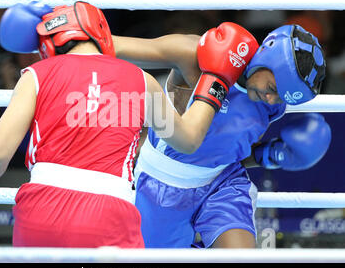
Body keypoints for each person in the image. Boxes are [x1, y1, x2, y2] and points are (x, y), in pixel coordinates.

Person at [0, 1, 258, 248]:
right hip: (110, 214)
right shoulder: (140, 81)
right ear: (102, 33)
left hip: (41, 209)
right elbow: (188, 139)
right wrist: (215, 81)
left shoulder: (37, 76)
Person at [112, 23, 332, 248]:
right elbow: (113, 46)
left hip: (222, 182)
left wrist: (268, 156)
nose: (271, 99)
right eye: (273, 88)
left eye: (283, 98)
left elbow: (228, 150)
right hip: (161, 184)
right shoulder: (195, 59)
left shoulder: (272, 105)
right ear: (266, 57)